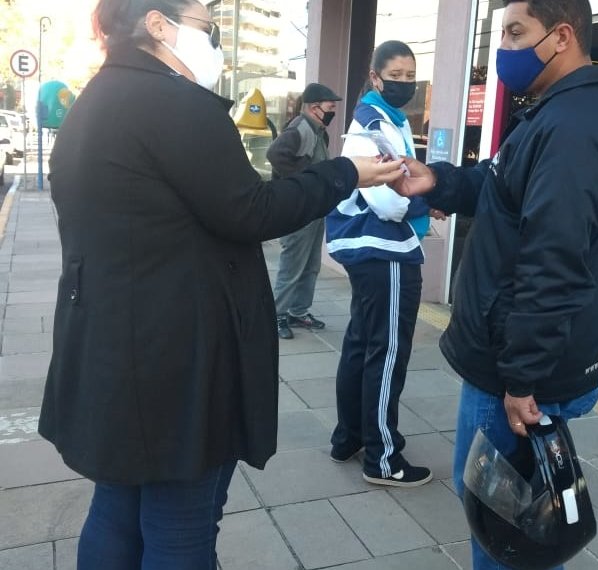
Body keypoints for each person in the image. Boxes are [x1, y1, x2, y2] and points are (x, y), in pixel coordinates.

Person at [36, 1, 405, 568]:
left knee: (117, 504)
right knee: (182, 522)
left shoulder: (98, 98)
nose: (215, 45)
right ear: (159, 25)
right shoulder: (174, 103)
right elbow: (251, 211)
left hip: (113, 342)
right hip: (175, 355)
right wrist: (346, 172)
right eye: (208, 28)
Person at [396, 0, 598, 567]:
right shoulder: (554, 112)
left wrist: (522, 376)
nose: (502, 46)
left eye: (515, 31)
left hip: (518, 369)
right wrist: (439, 182)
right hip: (514, 355)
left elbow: (554, 263)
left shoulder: (574, 126)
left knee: (501, 521)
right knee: (507, 516)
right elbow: (499, 185)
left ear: (562, 36)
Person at [325, 40, 436, 487]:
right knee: (387, 353)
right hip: (385, 251)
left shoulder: (383, 118)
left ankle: (350, 436)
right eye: (397, 75)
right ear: (375, 77)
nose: (404, 83)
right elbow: (390, 203)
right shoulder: (372, 126)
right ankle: (383, 458)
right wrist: (427, 203)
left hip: (370, 251)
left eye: (411, 76)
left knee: (361, 344)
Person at [267, 82, 343, 340]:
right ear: (313, 107)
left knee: (310, 265)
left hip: (314, 210)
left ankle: (298, 311)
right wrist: (302, 182)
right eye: (329, 107)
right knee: (292, 265)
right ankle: (276, 315)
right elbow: (275, 154)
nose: (332, 111)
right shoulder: (300, 128)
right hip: (298, 210)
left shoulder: (319, 131)